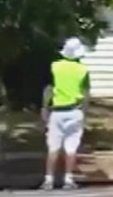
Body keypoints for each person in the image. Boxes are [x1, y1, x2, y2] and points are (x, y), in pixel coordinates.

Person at [40, 38, 90, 190]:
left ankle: (48, 180)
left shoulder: (55, 67)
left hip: (57, 111)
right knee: (71, 148)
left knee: (53, 147)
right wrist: (84, 114)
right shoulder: (83, 70)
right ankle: (68, 179)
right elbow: (86, 93)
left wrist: (44, 108)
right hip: (75, 111)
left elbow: (49, 89)